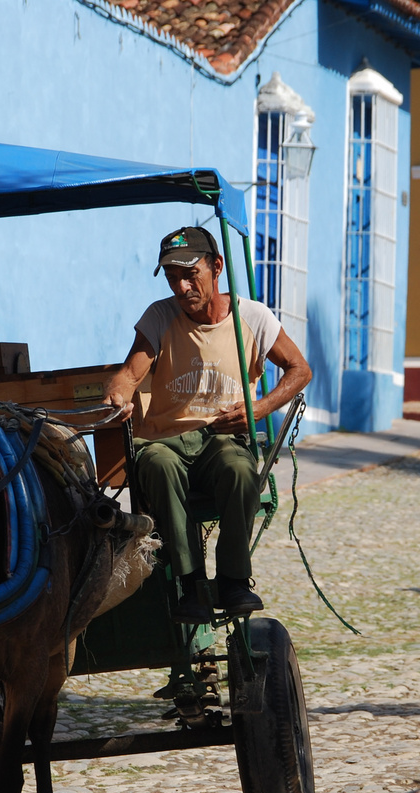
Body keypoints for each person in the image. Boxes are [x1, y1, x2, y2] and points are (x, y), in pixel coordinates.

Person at [102, 226, 312, 623]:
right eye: (172, 278)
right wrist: (118, 393)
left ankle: (233, 580)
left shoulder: (253, 317)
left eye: (189, 275)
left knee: (239, 469)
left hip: (222, 439)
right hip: (165, 441)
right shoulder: (160, 317)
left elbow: (300, 370)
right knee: (159, 466)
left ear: (217, 267)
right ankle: (190, 584)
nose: (181, 288)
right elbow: (129, 374)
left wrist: (260, 407)